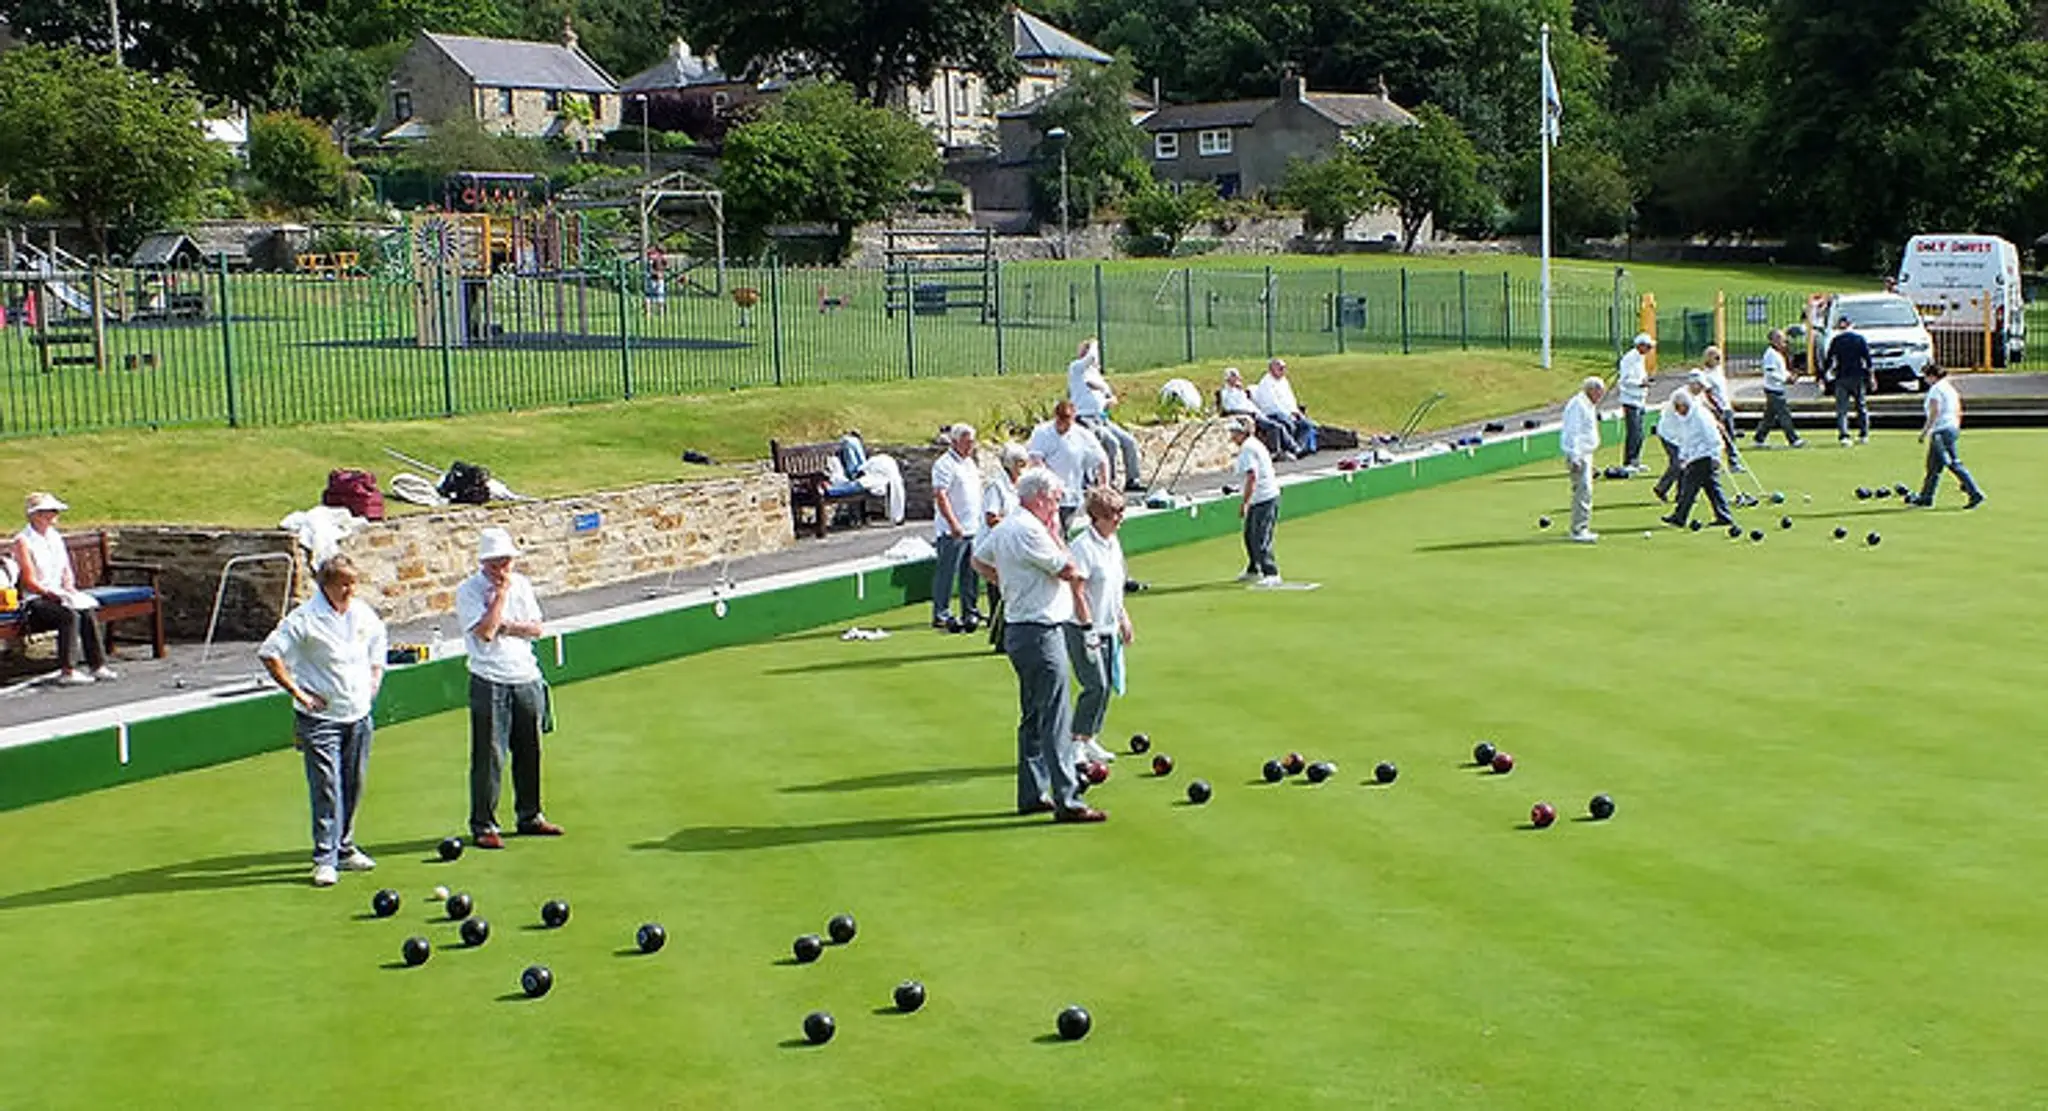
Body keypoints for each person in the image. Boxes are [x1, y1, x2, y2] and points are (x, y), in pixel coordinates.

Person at [970, 467, 1104, 824]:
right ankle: (1069, 801)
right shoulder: (1031, 530)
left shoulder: (1008, 527)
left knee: (1033, 715)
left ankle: (1032, 793)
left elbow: (979, 560)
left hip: (1020, 629)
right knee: (1055, 718)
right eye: (1056, 498)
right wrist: (1056, 536)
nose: (1058, 505)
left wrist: (1010, 584)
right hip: (1041, 631)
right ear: (1041, 497)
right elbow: (1069, 569)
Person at [257, 554, 387, 887]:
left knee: (353, 783)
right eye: (343, 583)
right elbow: (270, 653)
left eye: (353, 582)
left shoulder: (360, 612)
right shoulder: (304, 618)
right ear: (325, 585)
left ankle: (344, 849)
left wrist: (376, 676)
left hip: (358, 714)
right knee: (327, 787)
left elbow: (377, 640)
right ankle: (325, 857)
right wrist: (298, 693)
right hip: (320, 719)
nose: (350, 589)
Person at [457, 527, 564, 849]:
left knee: (530, 749)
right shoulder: (469, 591)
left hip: (525, 676)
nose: (502, 569)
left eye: (507, 562)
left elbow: (535, 629)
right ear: (484, 563)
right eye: (496, 563)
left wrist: (508, 626)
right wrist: (500, 598)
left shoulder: (524, 585)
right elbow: (486, 633)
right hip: (489, 678)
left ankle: (530, 816)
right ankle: (483, 824)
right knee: (489, 755)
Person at [11, 492, 114, 686]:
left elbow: (65, 570)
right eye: (47, 512)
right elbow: (28, 581)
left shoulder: (55, 537)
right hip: (35, 600)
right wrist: (49, 593)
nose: (52, 516)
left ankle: (98, 665)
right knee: (68, 615)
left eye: (53, 512)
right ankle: (68, 670)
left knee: (86, 611)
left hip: (58, 593)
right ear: (35, 515)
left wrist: (69, 589)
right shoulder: (22, 541)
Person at [1066, 486, 1133, 767]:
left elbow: (1115, 586)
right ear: (1097, 517)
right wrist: (1087, 627)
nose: (1119, 518)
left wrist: (1123, 617)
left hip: (1107, 626)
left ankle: (1090, 737)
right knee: (1095, 684)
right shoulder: (1083, 547)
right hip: (1082, 627)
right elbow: (1077, 589)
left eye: (1120, 512)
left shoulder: (1113, 543)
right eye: (1113, 514)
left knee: (1107, 687)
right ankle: (1075, 743)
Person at [1660, 375, 1738, 529]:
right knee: (1712, 489)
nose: (1677, 411)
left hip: (1706, 456)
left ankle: (1679, 517)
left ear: (1684, 405)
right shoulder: (1687, 417)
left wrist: (1714, 456)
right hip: (1698, 457)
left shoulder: (1700, 417)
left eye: (1678, 407)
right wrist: (1684, 457)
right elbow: (1687, 440)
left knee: (1689, 488)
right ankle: (1724, 516)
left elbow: (1713, 438)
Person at [1067, 338, 1144, 492]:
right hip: (1086, 419)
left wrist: (1109, 400)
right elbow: (1091, 358)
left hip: (1102, 418)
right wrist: (1094, 343)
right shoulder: (1076, 369)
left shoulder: (1096, 375)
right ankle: (1109, 483)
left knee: (1128, 441)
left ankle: (1132, 479)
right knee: (1111, 443)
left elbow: (1109, 396)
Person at [929, 423, 983, 633]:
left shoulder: (969, 462)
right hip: (953, 529)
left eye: (972, 442)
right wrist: (953, 523)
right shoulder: (944, 464)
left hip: (972, 527)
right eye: (967, 442)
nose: (971, 446)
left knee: (971, 573)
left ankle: (970, 610)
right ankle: (941, 613)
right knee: (947, 572)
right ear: (955, 441)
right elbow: (941, 496)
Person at [1909, 366, 1985, 509]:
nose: (1925, 379)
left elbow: (1934, 411)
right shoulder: (1949, 388)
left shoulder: (1936, 390)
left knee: (1952, 463)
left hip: (1941, 430)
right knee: (1933, 467)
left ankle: (1975, 493)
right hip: (1950, 427)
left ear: (1932, 376)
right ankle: (1926, 497)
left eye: (1926, 376)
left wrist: (1925, 431)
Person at [1027, 399, 1109, 533]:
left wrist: (1104, 486)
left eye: (1067, 424)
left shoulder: (1083, 435)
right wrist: (1053, 483)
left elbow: (1102, 460)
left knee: (1063, 532)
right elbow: (1035, 459)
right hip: (1044, 496)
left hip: (1070, 496)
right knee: (1046, 533)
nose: (1063, 427)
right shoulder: (1042, 432)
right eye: (1060, 423)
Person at [981, 442, 1030, 649]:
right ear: (1010, 464)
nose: (1024, 467)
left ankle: (1006, 637)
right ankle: (1000, 639)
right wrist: (1014, 524)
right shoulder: (996, 485)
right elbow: (991, 518)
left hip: (1013, 544)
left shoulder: (1019, 484)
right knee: (998, 592)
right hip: (997, 545)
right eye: (1020, 463)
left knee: (1010, 592)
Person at [1229, 416, 1283, 583]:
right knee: (1249, 536)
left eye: (1234, 432)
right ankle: (1254, 569)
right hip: (1258, 498)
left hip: (1264, 497)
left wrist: (1245, 503)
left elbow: (1252, 477)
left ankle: (1271, 573)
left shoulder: (1248, 448)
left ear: (1242, 433)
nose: (1231, 436)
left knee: (1261, 536)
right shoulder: (1250, 446)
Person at [1559, 376, 1604, 543]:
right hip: (1579, 455)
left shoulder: (1587, 404)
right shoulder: (1578, 405)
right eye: (1599, 392)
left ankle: (1581, 527)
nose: (1601, 396)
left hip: (1586, 454)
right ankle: (1579, 530)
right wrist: (1575, 457)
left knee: (1585, 491)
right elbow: (1573, 432)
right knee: (1583, 491)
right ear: (1591, 390)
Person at [1220, 366, 1296, 458]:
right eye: (1234, 377)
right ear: (1228, 379)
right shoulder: (1226, 393)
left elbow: (1249, 403)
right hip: (1247, 416)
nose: (1238, 379)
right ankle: (1279, 450)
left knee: (1282, 422)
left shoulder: (1240, 391)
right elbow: (1229, 408)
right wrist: (1249, 413)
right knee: (1275, 427)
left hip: (1258, 413)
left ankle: (1288, 448)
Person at [1752, 329, 1806, 448]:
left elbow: (1780, 371)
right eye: (1781, 340)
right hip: (1773, 389)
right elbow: (1770, 373)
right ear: (1773, 340)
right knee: (1784, 414)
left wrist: (1790, 376)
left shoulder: (1776, 354)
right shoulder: (1770, 354)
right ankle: (1793, 439)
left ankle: (1759, 438)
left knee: (1769, 417)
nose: (1784, 343)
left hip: (1776, 388)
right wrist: (1785, 379)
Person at [1252, 358, 1317, 455]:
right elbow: (1272, 404)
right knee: (1287, 423)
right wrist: (1289, 414)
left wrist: (1295, 412)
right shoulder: (1266, 383)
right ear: (1271, 369)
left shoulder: (1284, 381)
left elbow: (1291, 399)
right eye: (1280, 368)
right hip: (1273, 413)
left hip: (1289, 413)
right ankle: (1295, 449)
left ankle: (1299, 448)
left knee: (1307, 424)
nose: (1283, 371)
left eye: (1284, 368)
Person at [1825, 315, 1873, 446]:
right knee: (1861, 406)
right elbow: (1868, 360)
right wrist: (1872, 377)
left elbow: (1829, 360)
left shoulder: (1836, 340)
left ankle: (1844, 436)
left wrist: (1825, 375)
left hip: (1841, 377)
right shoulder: (1859, 339)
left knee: (1842, 409)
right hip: (1857, 376)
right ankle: (1864, 434)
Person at [1698, 346, 1744, 471]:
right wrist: (1717, 409)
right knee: (1721, 437)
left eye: (1719, 357)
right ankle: (1721, 462)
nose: (1718, 360)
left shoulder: (1718, 370)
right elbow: (1708, 394)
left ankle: (1732, 462)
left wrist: (1729, 404)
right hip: (1719, 409)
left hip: (1726, 407)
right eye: (1716, 357)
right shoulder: (1706, 375)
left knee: (1730, 436)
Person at [1617, 333, 1655, 472]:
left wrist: (1644, 382)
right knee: (1634, 432)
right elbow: (1624, 380)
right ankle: (1628, 462)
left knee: (1640, 433)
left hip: (1640, 399)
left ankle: (1635, 461)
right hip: (1630, 399)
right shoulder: (1629, 359)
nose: (1650, 349)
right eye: (1648, 346)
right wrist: (1640, 383)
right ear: (1640, 345)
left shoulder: (1640, 358)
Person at [1651, 386, 1692, 502]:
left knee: (1684, 463)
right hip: (1668, 435)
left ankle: (1682, 494)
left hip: (1679, 436)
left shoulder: (1694, 397)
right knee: (1678, 463)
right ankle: (1661, 488)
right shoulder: (1680, 397)